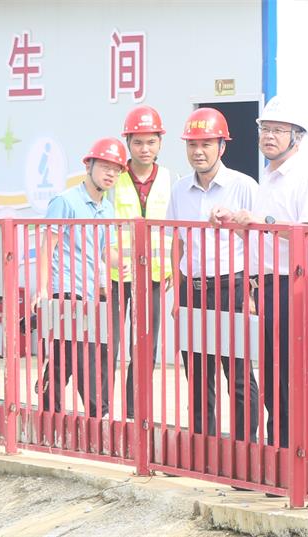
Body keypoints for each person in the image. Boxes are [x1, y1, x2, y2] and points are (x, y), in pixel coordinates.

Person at [214, 95, 308, 453]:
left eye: (279, 130)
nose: (269, 136)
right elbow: (264, 232)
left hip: (296, 282)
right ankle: (279, 449)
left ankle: (305, 452)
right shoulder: (269, 177)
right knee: (272, 371)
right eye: (265, 129)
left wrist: (261, 221)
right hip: (267, 283)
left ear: (297, 138)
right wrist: (236, 223)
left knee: (297, 371)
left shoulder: (305, 177)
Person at [166, 107, 259, 439]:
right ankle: (203, 445)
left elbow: (258, 242)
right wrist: (178, 296)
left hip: (232, 287)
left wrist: (251, 294)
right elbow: (177, 242)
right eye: (192, 144)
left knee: (237, 372)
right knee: (197, 371)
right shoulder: (179, 190)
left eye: (206, 144)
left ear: (222, 146)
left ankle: (244, 446)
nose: (198, 151)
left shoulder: (243, 186)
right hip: (192, 289)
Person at [32, 138, 126, 418]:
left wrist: (124, 262)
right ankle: (99, 415)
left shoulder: (107, 208)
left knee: (64, 356)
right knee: (85, 354)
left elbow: (106, 251)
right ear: (89, 165)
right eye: (105, 167)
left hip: (88, 293)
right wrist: (42, 289)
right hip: (64, 289)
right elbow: (47, 246)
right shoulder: (65, 201)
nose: (110, 174)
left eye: (116, 170)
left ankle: (48, 406)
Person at [110, 105, 176, 419]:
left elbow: (176, 228)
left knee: (145, 347)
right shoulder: (115, 177)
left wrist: (173, 267)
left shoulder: (171, 179)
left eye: (151, 142)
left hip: (153, 277)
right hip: (116, 276)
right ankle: (102, 410)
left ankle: (135, 413)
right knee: (109, 345)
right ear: (128, 143)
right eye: (138, 142)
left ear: (160, 142)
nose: (144, 149)